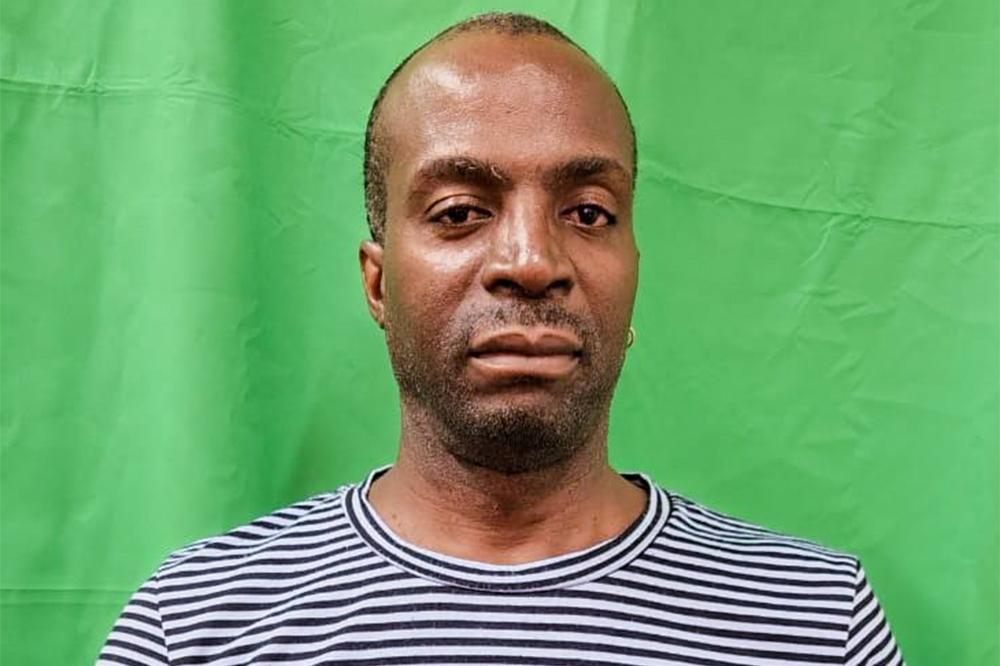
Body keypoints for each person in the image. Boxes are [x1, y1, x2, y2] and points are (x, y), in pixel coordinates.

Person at [97, 12, 904, 666]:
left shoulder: (814, 624)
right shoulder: (194, 625)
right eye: (459, 212)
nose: (531, 261)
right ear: (378, 283)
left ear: (632, 270)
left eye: (587, 212)